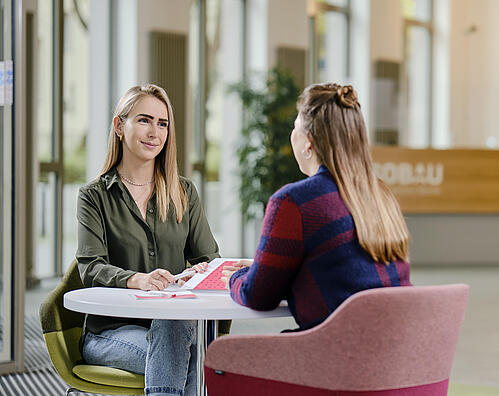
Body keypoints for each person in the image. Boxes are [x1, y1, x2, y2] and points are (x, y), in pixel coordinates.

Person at [222, 83, 412, 331]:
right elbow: (348, 270)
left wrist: (236, 278)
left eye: (295, 127)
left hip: (333, 359)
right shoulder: (381, 194)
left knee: (223, 362)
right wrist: (265, 268)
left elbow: (257, 296)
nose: (292, 135)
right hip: (397, 355)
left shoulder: (294, 202)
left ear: (308, 142)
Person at [76, 84, 219, 396]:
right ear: (119, 126)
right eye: (144, 120)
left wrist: (199, 274)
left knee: (174, 323)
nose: (155, 132)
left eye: (162, 123)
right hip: (111, 332)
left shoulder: (184, 193)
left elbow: (209, 260)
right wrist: (136, 280)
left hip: (174, 329)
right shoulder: (94, 196)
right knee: (196, 363)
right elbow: (90, 267)